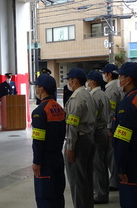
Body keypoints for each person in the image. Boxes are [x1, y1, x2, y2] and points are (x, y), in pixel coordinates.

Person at [112, 62, 137, 207]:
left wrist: (120, 167)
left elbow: (122, 140)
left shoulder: (128, 104)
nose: (119, 80)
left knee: (132, 201)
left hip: (134, 164)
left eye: (121, 76)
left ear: (129, 80)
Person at [31, 74, 66, 208]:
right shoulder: (59, 108)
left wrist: (37, 161)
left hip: (45, 161)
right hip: (58, 156)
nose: (36, 89)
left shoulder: (40, 112)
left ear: (41, 89)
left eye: (37, 87)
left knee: (45, 198)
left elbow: (38, 140)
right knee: (58, 195)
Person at [64, 67, 96, 208]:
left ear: (74, 81)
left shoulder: (76, 98)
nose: (68, 83)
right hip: (89, 137)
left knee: (77, 180)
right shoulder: (88, 95)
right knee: (87, 178)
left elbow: (72, 125)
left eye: (69, 80)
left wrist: (70, 147)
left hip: (79, 141)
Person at [86, 71, 110, 204]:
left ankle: (100, 194)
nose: (87, 83)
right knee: (103, 163)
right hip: (104, 130)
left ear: (93, 82)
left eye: (88, 81)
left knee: (97, 164)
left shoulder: (94, 96)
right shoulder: (103, 94)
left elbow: (92, 117)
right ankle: (104, 191)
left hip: (97, 132)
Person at [101, 63, 122, 191]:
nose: (103, 76)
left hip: (113, 125)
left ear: (109, 75)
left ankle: (114, 181)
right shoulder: (118, 86)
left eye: (104, 73)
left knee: (111, 154)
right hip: (118, 123)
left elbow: (110, 110)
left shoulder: (110, 89)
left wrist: (109, 128)